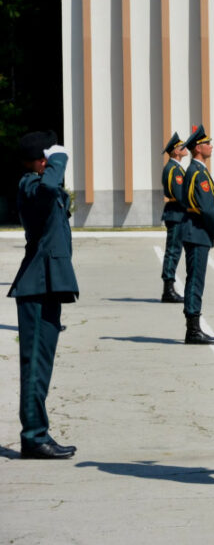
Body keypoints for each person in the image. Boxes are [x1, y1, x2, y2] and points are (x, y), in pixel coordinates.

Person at [9, 131, 80, 460]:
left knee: (42, 364)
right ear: (41, 160)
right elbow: (51, 186)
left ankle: (37, 432)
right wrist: (60, 157)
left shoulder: (39, 184)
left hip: (48, 283)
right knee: (35, 365)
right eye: (49, 157)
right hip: (37, 285)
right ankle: (34, 435)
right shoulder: (31, 184)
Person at [178, 125, 214, 345]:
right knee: (195, 281)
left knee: (195, 280)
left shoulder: (198, 170)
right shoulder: (198, 172)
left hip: (196, 231)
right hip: (197, 232)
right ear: (198, 148)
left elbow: (206, 203)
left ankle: (194, 327)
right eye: (207, 143)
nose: (211, 146)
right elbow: (206, 209)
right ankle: (193, 330)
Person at [160, 132, 187, 303]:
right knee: (173, 251)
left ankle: (169, 288)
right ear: (176, 151)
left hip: (178, 213)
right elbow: (179, 194)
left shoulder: (176, 168)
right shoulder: (173, 169)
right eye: (181, 147)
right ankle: (168, 290)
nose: (185, 149)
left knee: (175, 251)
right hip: (176, 213)